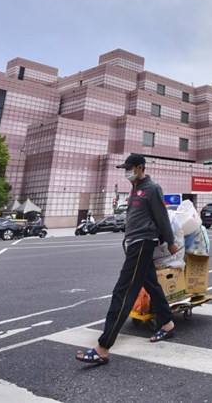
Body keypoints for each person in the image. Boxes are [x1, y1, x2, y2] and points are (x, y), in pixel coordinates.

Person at [75, 154, 178, 365]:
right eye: (125, 168)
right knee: (151, 284)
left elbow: (162, 217)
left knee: (123, 291)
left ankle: (103, 347)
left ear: (141, 167)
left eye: (129, 168)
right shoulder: (135, 189)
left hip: (143, 242)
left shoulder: (152, 188)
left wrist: (170, 241)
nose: (126, 172)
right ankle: (167, 323)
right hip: (134, 243)